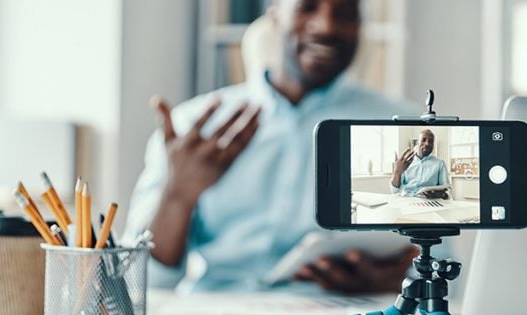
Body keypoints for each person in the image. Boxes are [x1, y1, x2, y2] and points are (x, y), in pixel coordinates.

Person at [124, 0, 419, 293]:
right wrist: (178, 195)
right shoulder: (194, 127)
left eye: (345, 13)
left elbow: (444, 275)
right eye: (308, 7)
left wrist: (393, 283)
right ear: (275, 16)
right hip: (215, 310)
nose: (327, 27)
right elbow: (143, 283)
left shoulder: (403, 128)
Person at [390, 129, 450, 199]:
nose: (427, 143)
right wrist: (397, 172)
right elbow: (394, 191)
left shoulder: (440, 164)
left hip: (429, 201)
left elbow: (447, 191)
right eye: (423, 140)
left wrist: (440, 195)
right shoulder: (405, 162)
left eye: (430, 141)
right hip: (407, 199)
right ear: (417, 143)